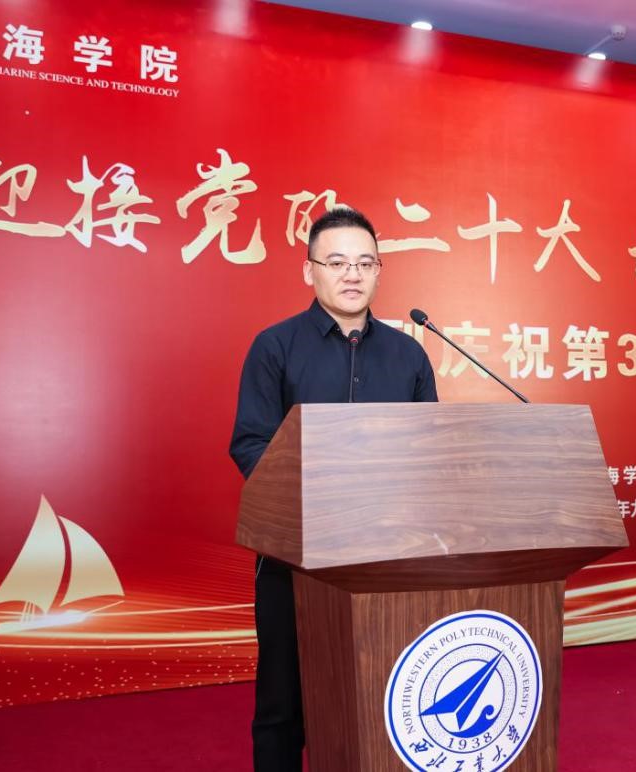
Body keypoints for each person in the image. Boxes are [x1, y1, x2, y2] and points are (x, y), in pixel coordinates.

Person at [229, 208, 438, 771]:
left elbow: (428, 451)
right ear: (310, 271)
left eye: (365, 263)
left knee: (381, 693)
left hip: (387, 558)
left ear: (379, 271)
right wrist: (319, 503)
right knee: (283, 704)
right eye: (338, 262)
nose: (352, 274)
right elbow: (250, 444)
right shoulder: (275, 346)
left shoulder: (409, 355)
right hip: (294, 557)